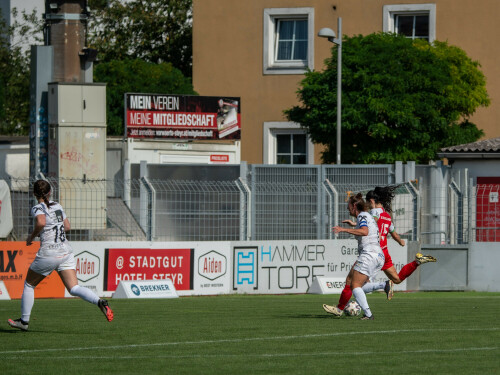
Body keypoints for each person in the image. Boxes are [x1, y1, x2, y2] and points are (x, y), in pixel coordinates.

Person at [7, 180, 113, 331]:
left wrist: (32, 237)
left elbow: (41, 222)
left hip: (49, 252)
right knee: (74, 287)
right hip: (65, 251)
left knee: (29, 284)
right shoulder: (57, 205)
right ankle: (100, 302)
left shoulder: (37, 207)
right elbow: (67, 226)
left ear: (34, 194)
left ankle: (24, 321)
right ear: (50, 193)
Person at [323, 186, 437, 317]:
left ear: (371, 201)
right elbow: (392, 233)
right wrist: (400, 241)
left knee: (354, 283)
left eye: (368, 202)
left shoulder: (371, 213)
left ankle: (350, 309)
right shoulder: (387, 216)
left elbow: (368, 225)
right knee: (396, 279)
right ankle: (415, 263)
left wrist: (347, 228)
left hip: (371, 252)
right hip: (383, 253)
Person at [324, 193, 385, 320]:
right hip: (377, 255)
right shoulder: (364, 216)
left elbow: (365, 231)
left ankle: (368, 314)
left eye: (349, 206)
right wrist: (353, 225)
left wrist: (343, 229)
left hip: (369, 254)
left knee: (355, 285)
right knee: (351, 280)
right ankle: (340, 308)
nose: (347, 209)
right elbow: (369, 226)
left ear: (354, 206)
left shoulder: (362, 215)